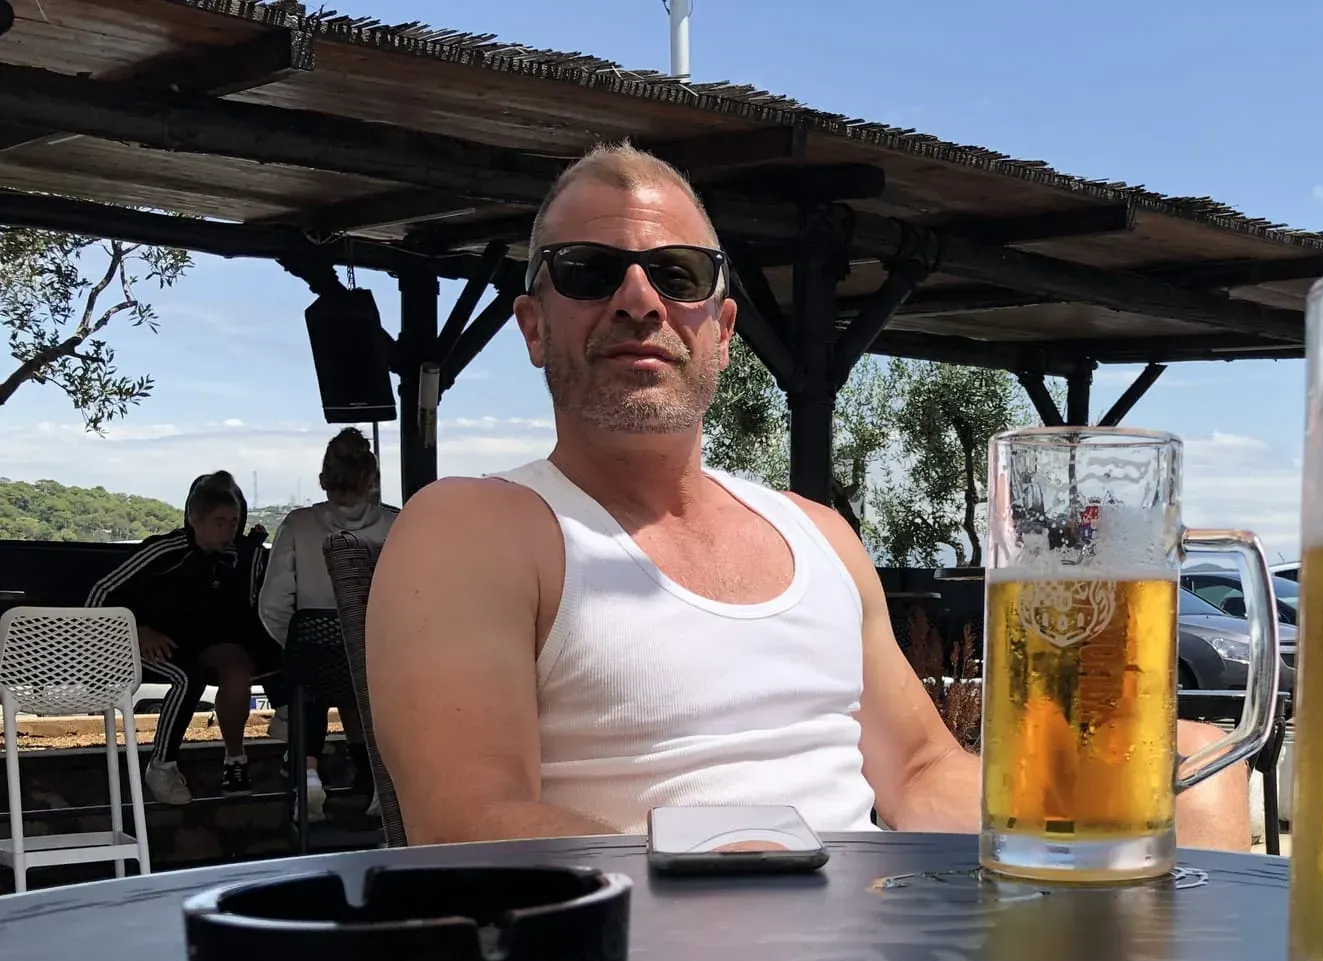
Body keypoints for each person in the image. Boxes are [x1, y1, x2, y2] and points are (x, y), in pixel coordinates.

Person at [368, 143, 1248, 849]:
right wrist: (734, 859)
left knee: (1195, 773)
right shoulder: (474, 528)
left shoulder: (819, 534)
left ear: (720, 329)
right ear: (533, 325)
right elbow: (467, 830)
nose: (639, 300)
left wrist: (1101, 783)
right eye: (590, 271)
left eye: (677, 275)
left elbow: (915, 775)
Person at [86, 471, 277, 805]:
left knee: (238, 667)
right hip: (138, 641)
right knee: (189, 678)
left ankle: (241, 757)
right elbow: (100, 593)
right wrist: (135, 630)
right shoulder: (162, 551)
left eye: (234, 522)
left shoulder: (237, 557)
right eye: (220, 522)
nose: (229, 530)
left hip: (196, 644)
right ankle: (162, 763)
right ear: (194, 519)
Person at [258, 428, 397, 819]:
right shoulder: (396, 527)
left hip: (313, 654)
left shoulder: (298, 526)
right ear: (373, 480)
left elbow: (272, 603)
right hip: (373, 657)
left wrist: (294, 643)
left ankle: (310, 774)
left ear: (323, 480)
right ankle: (376, 781)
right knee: (364, 682)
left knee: (309, 683)